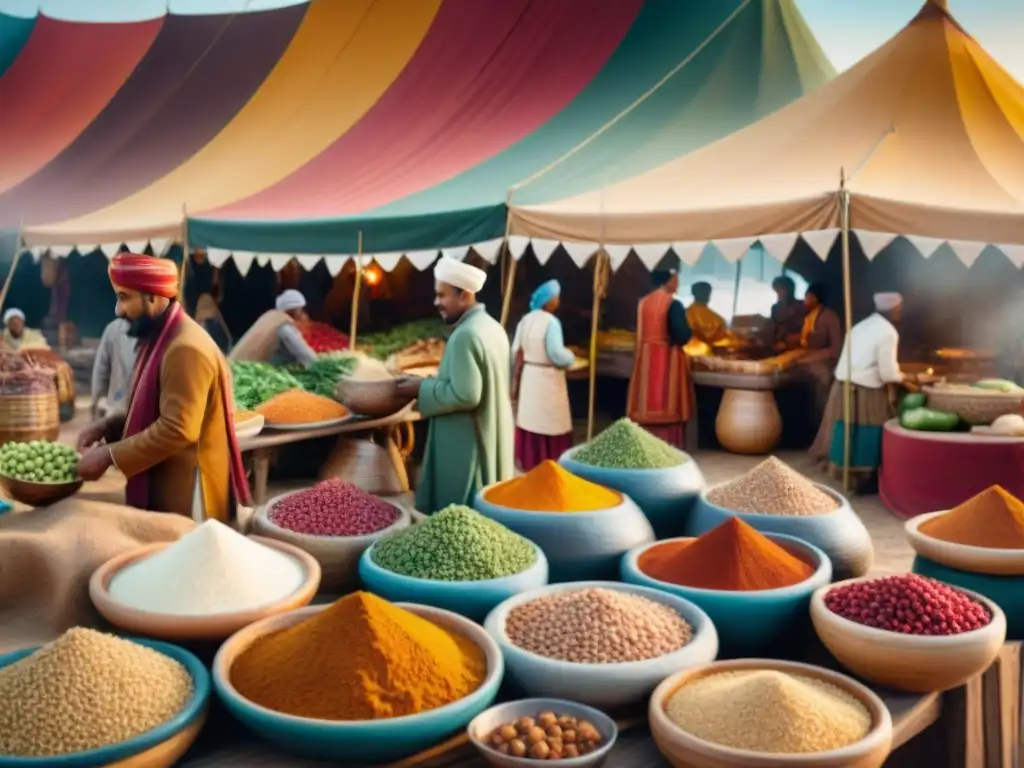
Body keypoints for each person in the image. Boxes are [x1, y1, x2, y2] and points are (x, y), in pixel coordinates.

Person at [75, 253, 251, 522]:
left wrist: (108, 456)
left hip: (191, 489)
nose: (117, 310)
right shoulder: (160, 337)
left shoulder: (185, 348)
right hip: (170, 477)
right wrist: (108, 427)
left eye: (124, 297)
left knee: (187, 559)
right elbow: (153, 407)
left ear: (153, 298)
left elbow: (177, 429)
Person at [395, 257, 514, 513]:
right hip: (491, 429)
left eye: (442, 295)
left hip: (468, 442)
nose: (437, 302)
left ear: (465, 295)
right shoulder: (493, 328)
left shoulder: (466, 335)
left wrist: (420, 387)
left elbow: (466, 395)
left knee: (463, 515)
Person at [810, 292, 909, 486]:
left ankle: (844, 473)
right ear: (894, 309)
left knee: (845, 432)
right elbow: (888, 373)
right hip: (865, 390)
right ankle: (864, 479)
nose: (901, 311)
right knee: (868, 431)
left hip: (842, 388)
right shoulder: (888, 332)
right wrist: (905, 378)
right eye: (900, 308)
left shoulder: (859, 327)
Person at [510, 279, 576, 471]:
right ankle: (550, 462)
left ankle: (530, 460)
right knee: (549, 421)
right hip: (548, 378)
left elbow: (517, 351)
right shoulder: (552, 322)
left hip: (530, 375)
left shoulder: (525, 320)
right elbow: (556, 354)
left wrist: (516, 380)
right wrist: (571, 356)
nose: (558, 301)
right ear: (549, 301)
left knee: (532, 420)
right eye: (556, 297)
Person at [627, 270, 693, 448]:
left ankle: (644, 445)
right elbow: (682, 334)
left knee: (646, 399)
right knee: (666, 399)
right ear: (668, 282)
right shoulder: (673, 304)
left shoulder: (643, 303)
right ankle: (668, 445)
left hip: (645, 357)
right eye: (675, 280)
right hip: (666, 359)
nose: (677, 283)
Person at [228, 289, 316, 368]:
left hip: (235, 364)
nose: (302, 312)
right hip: (246, 369)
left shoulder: (270, 316)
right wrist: (319, 365)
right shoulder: (283, 326)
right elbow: (304, 354)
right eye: (301, 309)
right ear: (295, 309)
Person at [796, 282, 844, 411]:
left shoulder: (829, 317)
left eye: (808, 297)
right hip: (808, 358)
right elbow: (806, 341)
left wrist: (809, 358)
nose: (805, 300)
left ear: (816, 298)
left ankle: (820, 415)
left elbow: (835, 349)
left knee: (820, 374)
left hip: (825, 361)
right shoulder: (808, 317)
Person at [90, 317, 137, 419]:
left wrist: (97, 402)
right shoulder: (114, 330)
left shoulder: (114, 329)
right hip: (121, 412)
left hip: (118, 411)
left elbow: (100, 372)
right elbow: (100, 372)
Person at [766, 276, 806, 348]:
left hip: (797, 344)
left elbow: (809, 329)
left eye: (780, 289)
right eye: (776, 290)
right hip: (778, 344)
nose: (778, 293)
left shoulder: (802, 306)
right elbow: (772, 329)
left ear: (789, 290)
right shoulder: (775, 308)